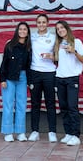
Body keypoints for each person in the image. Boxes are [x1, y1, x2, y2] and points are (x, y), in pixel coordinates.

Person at [54, 20, 83, 146]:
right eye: (58, 29)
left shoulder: (77, 42)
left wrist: (74, 52)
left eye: (62, 27)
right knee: (64, 108)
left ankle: (76, 135)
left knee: (72, 107)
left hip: (72, 79)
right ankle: (68, 133)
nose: (60, 30)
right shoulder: (58, 44)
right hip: (60, 78)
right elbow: (58, 60)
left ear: (67, 28)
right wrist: (48, 56)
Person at [0, 22, 32, 142]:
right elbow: (4, 63)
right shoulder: (10, 45)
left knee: (21, 105)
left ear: (28, 32)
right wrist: (2, 79)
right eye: (20, 29)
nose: (22, 31)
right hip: (9, 78)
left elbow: (29, 65)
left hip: (23, 78)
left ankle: (20, 132)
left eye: (25, 29)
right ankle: (8, 132)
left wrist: (30, 80)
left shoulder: (29, 47)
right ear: (17, 31)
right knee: (8, 105)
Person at [28, 14, 57, 143]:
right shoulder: (31, 37)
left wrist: (51, 56)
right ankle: (35, 131)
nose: (41, 24)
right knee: (35, 103)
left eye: (43, 22)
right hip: (35, 73)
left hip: (50, 73)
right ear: (36, 24)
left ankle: (52, 132)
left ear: (47, 23)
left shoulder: (53, 37)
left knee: (50, 103)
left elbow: (59, 55)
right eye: (39, 22)